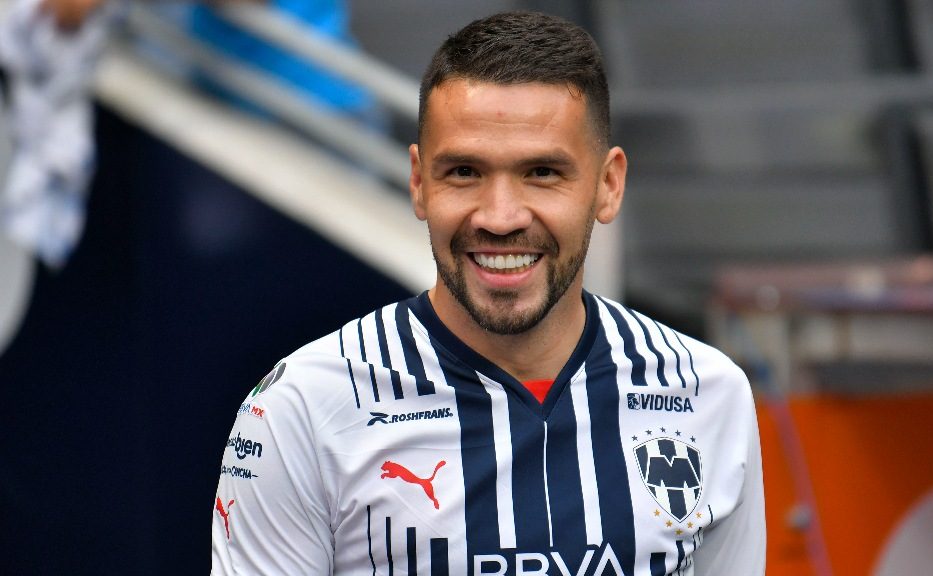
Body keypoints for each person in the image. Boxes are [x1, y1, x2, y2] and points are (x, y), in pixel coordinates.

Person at [212, 11, 765, 575]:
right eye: (464, 172)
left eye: (542, 172)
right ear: (419, 182)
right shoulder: (303, 408)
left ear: (608, 184)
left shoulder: (708, 394)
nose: (500, 217)